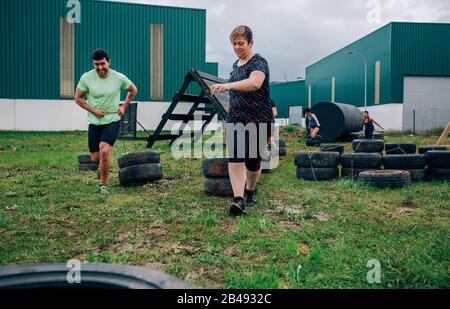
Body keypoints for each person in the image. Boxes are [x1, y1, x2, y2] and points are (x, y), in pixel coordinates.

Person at [210, 25, 273, 216]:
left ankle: (250, 190)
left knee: (252, 161)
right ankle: (238, 200)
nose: (237, 47)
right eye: (234, 44)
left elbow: (255, 83)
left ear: (251, 42)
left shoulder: (258, 63)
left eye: (241, 43)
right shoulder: (234, 66)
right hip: (236, 116)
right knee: (236, 157)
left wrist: (227, 85)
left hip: (258, 118)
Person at [74, 49, 137, 194]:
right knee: (95, 158)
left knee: (104, 151)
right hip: (94, 122)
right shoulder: (87, 78)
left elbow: (133, 90)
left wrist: (123, 106)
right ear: (93, 64)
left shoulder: (118, 77)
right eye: (97, 64)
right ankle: (103, 169)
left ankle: (103, 185)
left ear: (109, 62)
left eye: (103, 64)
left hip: (112, 119)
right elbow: (78, 98)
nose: (100, 68)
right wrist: (93, 110)